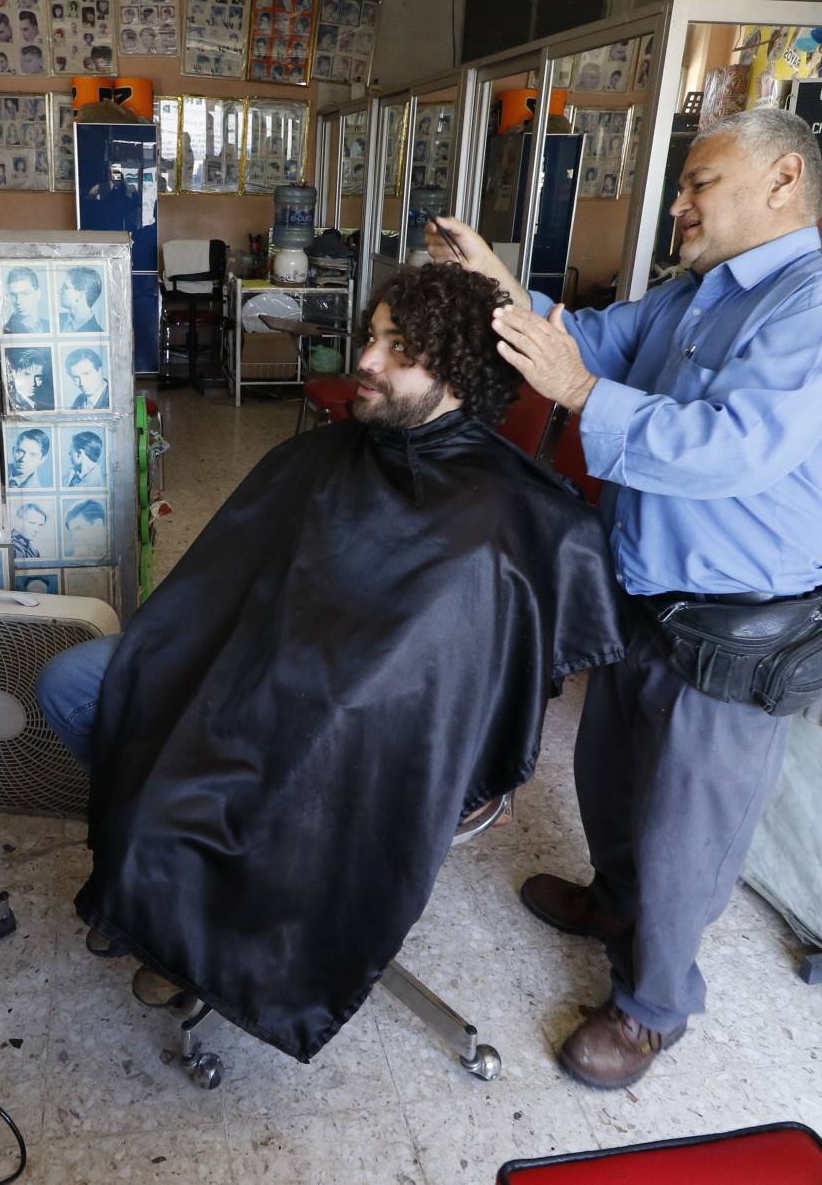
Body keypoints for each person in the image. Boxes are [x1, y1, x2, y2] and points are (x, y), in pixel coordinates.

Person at [427, 107, 822, 1090]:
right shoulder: (695, 296)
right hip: (644, 589)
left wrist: (579, 399)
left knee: (687, 826)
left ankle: (652, 1009)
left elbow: (734, 449)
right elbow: (587, 341)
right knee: (610, 775)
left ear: (782, 181)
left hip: (735, 620)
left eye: (699, 183)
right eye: (685, 186)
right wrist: (492, 285)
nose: (680, 205)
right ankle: (613, 902)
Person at [41, 263, 626, 1062]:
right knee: (76, 684)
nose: (368, 362)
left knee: (231, 770)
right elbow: (232, 583)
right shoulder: (328, 455)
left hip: (360, 735)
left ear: (457, 368)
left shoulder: (509, 518)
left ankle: (215, 927)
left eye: (398, 347)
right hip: (261, 676)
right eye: (371, 337)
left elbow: (450, 694)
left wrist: (272, 692)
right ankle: (189, 897)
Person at [1, 268, 48, 334]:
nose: (18, 301)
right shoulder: (7, 331)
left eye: (26, 293)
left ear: (38, 293)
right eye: (13, 295)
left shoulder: (49, 325)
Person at [58, 266, 103, 333]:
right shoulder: (57, 320)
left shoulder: (96, 332)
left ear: (81, 295)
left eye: (65, 287)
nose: (59, 291)